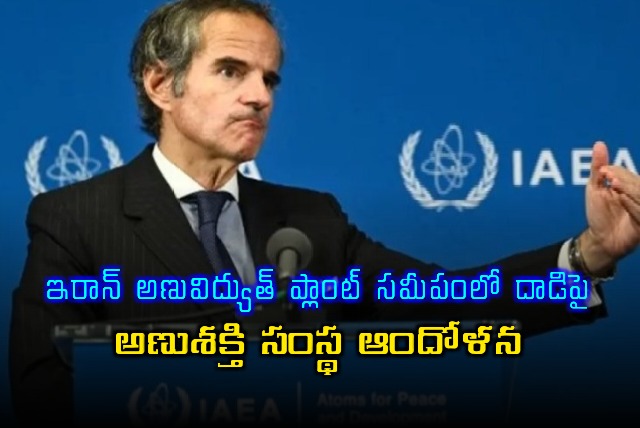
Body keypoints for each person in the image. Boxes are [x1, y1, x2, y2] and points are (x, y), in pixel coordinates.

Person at [9, 0, 640, 426]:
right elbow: (44, 389)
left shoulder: (310, 221)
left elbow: (447, 305)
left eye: (269, 79)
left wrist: (588, 254)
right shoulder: (74, 217)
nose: (258, 96)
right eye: (231, 71)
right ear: (159, 85)